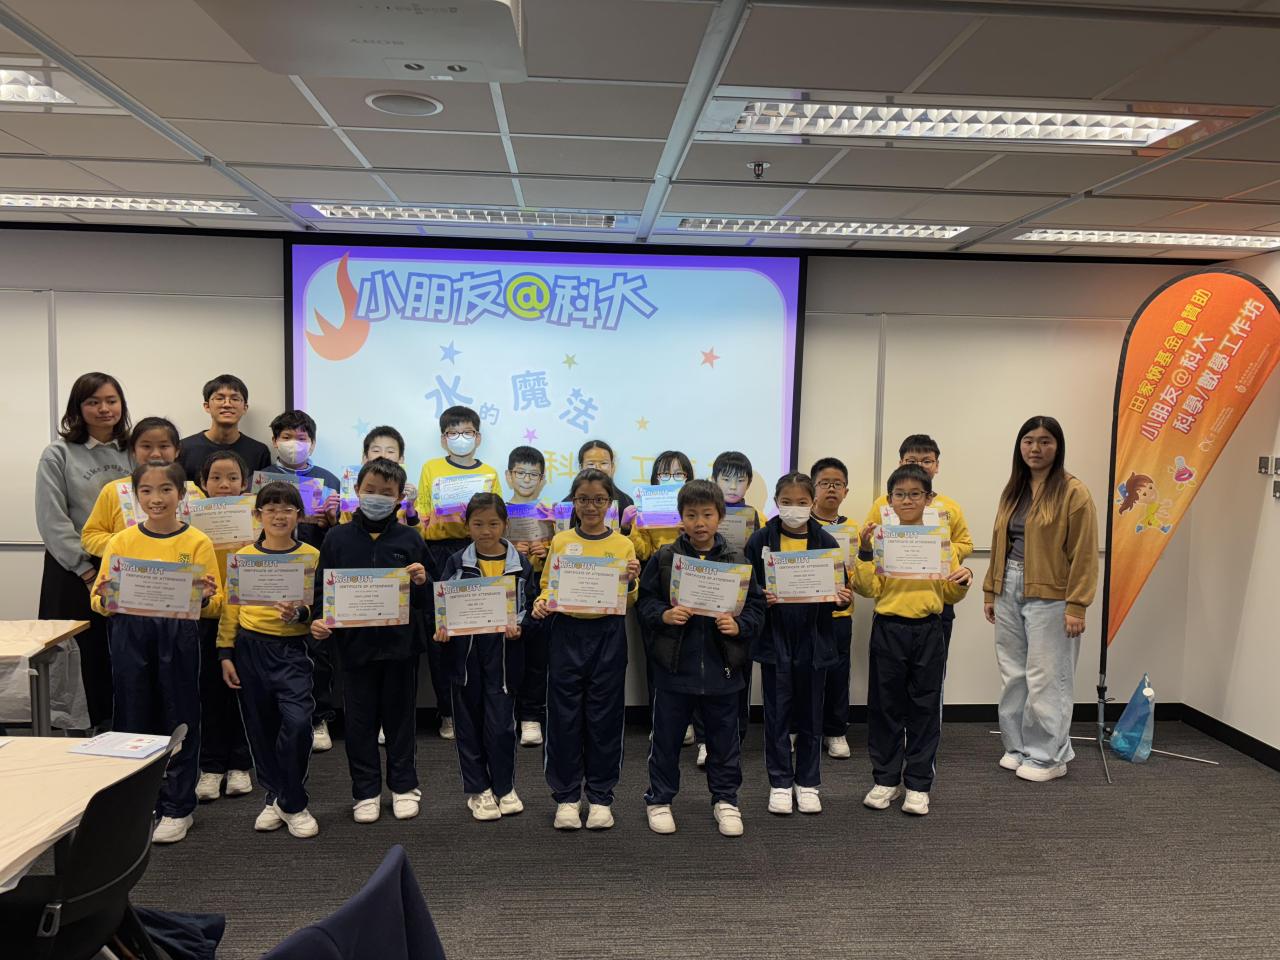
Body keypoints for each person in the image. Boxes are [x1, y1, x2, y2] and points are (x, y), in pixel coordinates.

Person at [91, 460, 223, 844]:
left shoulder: (196, 542)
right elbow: (98, 599)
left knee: (179, 714)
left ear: (181, 495)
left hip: (178, 637)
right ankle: (139, 804)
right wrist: (105, 599)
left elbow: (214, 605)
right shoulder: (121, 541)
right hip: (130, 636)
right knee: (133, 716)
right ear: (136, 496)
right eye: (146, 490)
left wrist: (206, 598)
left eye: (166, 489)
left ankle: (179, 807)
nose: (156, 498)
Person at [638, 480, 765, 838]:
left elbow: (755, 608)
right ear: (681, 517)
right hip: (674, 670)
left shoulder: (737, 560)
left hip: (723, 671)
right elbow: (645, 603)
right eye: (691, 515)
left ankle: (726, 800)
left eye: (707, 515)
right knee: (666, 741)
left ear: (720, 517)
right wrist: (664, 615)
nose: (699, 522)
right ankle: (659, 799)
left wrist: (739, 626)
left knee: (724, 743)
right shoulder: (665, 558)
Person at [311, 458, 430, 823]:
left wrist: (423, 581)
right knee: (359, 723)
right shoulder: (337, 538)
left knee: (400, 720)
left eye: (386, 492)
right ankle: (365, 791)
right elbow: (322, 589)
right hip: (354, 647)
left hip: (400, 647)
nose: (377, 497)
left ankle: (404, 786)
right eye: (371, 490)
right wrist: (319, 619)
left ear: (399, 498)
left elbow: (428, 599)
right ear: (357, 491)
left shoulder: (410, 539)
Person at [853, 464, 973, 816]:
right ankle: (886, 780)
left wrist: (962, 581)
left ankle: (918, 784)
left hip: (928, 630)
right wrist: (864, 552)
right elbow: (867, 588)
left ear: (929, 498)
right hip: (889, 629)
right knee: (885, 707)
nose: (907, 500)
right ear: (889, 500)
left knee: (924, 707)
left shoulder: (940, 539)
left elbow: (949, 594)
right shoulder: (881, 538)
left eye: (915, 494)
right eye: (900, 495)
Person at [983, 416, 1098, 783]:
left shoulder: (1073, 492)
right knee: (1013, 674)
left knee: (1048, 676)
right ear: (1020, 445)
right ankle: (1018, 747)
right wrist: (991, 589)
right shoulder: (1013, 488)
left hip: (1052, 594)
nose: (1036, 448)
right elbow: (1000, 541)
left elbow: (1084, 553)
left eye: (1045, 441)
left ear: (1057, 447)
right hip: (1008, 588)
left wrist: (1077, 604)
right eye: (1029, 440)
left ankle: (1049, 756)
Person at [532, 468, 640, 831]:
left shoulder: (623, 545)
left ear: (610, 503)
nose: (591, 507)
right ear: (573, 502)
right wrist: (542, 602)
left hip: (608, 635)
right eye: (583, 499)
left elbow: (630, 599)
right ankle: (566, 797)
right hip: (566, 633)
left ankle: (600, 797)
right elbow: (548, 585)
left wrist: (631, 581)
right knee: (563, 718)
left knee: (604, 718)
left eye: (598, 499)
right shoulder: (562, 542)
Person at [218, 481, 321, 838]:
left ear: (299, 516)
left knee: (297, 723)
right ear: (257, 515)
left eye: (287, 510)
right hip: (250, 648)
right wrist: (225, 652)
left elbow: (320, 605)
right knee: (260, 728)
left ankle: (291, 800)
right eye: (271, 509)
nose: (279, 516)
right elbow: (231, 609)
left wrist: (300, 614)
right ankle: (276, 796)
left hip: (292, 650)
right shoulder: (243, 557)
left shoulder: (312, 555)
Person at [744, 472, 849, 816]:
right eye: (787, 502)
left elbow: (840, 590)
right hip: (776, 637)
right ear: (776, 502)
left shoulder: (826, 542)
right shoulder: (760, 539)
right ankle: (779, 782)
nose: (794, 508)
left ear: (812, 503)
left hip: (814, 638)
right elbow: (746, 590)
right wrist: (760, 597)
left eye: (802, 502)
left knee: (811, 713)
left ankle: (807, 783)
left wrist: (841, 598)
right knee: (776, 713)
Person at [35, 371, 132, 730]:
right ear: (78, 408)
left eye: (111, 401)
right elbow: (52, 519)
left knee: (123, 651)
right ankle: (77, 732)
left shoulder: (134, 450)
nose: (104, 409)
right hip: (74, 568)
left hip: (128, 563)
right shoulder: (58, 454)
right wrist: (86, 570)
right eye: (93, 402)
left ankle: (122, 727)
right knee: (79, 652)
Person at [435, 493, 537, 821]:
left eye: (493, 523)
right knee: (468, 725)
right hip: (465, 656)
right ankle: (478, 790)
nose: (486, 531)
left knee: (502, 726)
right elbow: (443, 604)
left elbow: (532, 606)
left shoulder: (521, 565)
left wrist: (521, 626)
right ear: (467, 526)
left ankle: (504, 787)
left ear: (505, 524)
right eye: (478, 524)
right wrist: (442, 629)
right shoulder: (456, 562)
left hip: (504, 655)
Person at [415, 405, 502, 741]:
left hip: (477, 551)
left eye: (467, 432)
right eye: (453, 433)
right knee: (442, 630)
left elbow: (494, 519)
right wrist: (438, 517)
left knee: (480, 624)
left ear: (478, 437)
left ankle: (481, 707)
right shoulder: (431, 468)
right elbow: (422, 516)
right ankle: (447, 711)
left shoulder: (489, 473)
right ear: (443, 438)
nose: (460, 438)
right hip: (439, 552)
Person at [261, 409, 341, 751]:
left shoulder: (328, 479)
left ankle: (319, 717)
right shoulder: (262, 479)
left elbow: (338, 532)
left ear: (313, 443)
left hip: (314, 568)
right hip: (270, 569)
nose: (294, 443)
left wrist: (331, 520)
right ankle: (276, 717)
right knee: (274, 641)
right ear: (275, 441)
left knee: (316, 647)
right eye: (287, 437)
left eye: (302, 438)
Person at [865, 435, 974, 652]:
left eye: (927, 461)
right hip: (894, 598)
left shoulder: (950, 506)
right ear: (900, 463)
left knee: (934, 663)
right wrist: (891, 548)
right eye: (912, 460)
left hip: (936, 593)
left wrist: (938, 549)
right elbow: (869, 539)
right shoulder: (882, 503)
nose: (920, 466)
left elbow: (966, 544)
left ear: (937, 465)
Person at [194, 451, 254, 804]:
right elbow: (181, 562)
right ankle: (211, 766)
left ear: (244, 483)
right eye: (216, 478)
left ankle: (240, 765)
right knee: (208, 694)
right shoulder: (190, 524)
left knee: (241, 693)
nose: (224, 484)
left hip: (244, 620)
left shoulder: (257, 520)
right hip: (205, 618)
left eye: (232, 478)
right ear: (203, 483)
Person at [81, 417, 186, 560]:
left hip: (180, 571)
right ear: (133, 451)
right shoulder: (112, 491)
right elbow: (90, 536)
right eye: (146, 446)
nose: (155, 454)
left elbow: (206, 538)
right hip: (129, 571)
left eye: (163, 446)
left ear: (177, 450)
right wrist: (129, 543)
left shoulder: (192, 491)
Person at [809, 456, 858, 761]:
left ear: (846, 491)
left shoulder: (853, 530)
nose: (831, 489)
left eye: (837, 484)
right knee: (804, 674)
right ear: (813, 488)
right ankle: (798, 728)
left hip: (840, 614)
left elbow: (859, 575)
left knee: (838, 674)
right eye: (824, 483)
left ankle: (836, 730)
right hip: (806, 613)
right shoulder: (798, 525)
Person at [505, 445, 553, 747]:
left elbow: (564, 554)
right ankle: (508, 713)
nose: (526, 479)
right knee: (509, 656)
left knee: (538, 656)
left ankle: (531, 717)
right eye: (520, 472)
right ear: (509, 476)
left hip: (540, 588)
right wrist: (511, 550)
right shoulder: (498, 511)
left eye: (533, 474)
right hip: (508, 590)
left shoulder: (549, 513)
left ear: (542, 479)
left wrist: (546, 552)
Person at [178, 374, 272, 479]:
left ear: (245, 408)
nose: (227, 404)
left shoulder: (259, 452)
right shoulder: (183, 449)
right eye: (219, 398)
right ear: (207, 406)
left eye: (235, 399)